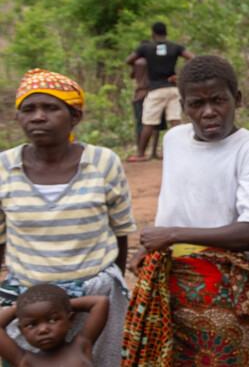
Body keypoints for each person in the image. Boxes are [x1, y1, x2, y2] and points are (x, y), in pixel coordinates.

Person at [131, 56, 249, 363]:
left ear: (236, 99)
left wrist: (171, 235)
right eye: (196, 104)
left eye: (218, 101)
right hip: (173, 282)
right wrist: (152, 249)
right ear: (183, 105)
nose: (208, 112)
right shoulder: (174, 139)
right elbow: (177, 204)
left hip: (228, 286)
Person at [4, 69, 135, 365]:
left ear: (75, 117)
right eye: (28, 109)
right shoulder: (4, 167)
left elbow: (120, 233)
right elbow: (2, 240)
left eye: (51, 108)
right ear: (19, 117)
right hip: (28, 303)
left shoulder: (103, 162)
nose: (38, 117)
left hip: (94, 301)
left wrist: (113, 287)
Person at [127, 22, 192, 161]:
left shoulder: (145, 48)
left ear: (153, 34)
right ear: (166, 33)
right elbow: (192, 57)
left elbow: (129, 60)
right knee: (175, 121)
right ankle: (182, 151)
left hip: (156, 89)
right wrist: (180, 76)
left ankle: (141, 154)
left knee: (148, 122)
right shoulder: (175, 47)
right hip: (173, 88)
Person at [0, 287, 109, 367]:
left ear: (70, 320)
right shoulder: (25, 361)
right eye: (32, 324)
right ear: (22, 331)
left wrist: (60, 304)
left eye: (53, 320)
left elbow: (100, 302)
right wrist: (19, 308)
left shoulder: (81, 346)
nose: (43, 330)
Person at [128, 58, 147, 150]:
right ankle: (149, 151)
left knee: (139, 122)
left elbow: (132, 75)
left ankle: (139, 149)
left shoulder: (136, 62)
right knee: (154, 124)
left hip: (139, 95)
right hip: (149, 93)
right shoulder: (150, 60)